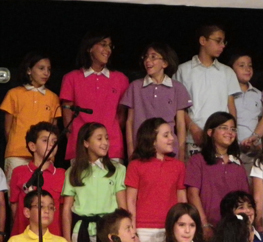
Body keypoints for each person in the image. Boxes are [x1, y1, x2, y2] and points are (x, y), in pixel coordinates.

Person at [125, 118, 187, 242]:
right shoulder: (136, 165)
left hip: (171, 229)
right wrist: (132, 232)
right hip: (144, 230)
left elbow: (182, 200)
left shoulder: (178, 166)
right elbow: (130, 201)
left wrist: (183, 226)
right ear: (152, 140)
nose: (172, 138)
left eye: (171, 134)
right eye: (166, 135)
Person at [60, 31, 129, 161]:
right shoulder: (71, 78)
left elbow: (122, 115)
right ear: (89, 48)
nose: (108, 50)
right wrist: (74, 138)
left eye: (110, 46)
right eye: (103, 44)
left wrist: (110, 133)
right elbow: (67, 113)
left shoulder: (121, 79)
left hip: (112, 148)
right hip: (80, 147)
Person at [174, 23, 240, 156]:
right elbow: (179, 107)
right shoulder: (183, 70)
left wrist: (232, 131)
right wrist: (193, 128)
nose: (222, 46)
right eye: (218, 41)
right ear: (203, 40)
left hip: (221, 138)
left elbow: (231, 106)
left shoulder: (227, 72)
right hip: (193, 138)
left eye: (224, 42)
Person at [122, 42, 191, 162]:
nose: (147, 60)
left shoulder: (177, 88)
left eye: (153, 57)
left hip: (169, 152)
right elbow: (130, 122)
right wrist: (130, 151)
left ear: (165, 63)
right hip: (141, 151)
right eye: (146, 57)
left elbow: (180, 124)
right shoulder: (135, 87)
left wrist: (180, 154)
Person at [185, 112, 249, 241]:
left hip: (234, 231)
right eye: (224, 128)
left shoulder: (237, 163)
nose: (229, 132)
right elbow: (192, 195)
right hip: (209, 229)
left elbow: (245, 198)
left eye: (233, 129)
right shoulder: (198, 161)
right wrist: (204, 224)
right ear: (210, 132)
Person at [0, 51, 61, 185]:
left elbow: (53, 130)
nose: (46, 73)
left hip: (44, 155)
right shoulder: (14, 94)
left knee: (42, 193)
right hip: (17, 154)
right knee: (17, 193)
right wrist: (17, 147)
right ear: (29, 70)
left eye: (48, 69)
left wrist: (49, 153)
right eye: (41, 68)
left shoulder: (53, 98)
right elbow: (8, 129)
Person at [10, 122, 64, 237]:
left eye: (54, 141)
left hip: (53, 238)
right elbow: (14, 206)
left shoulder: (62, 174)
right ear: (32, 146)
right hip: (24, 237)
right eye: (45, 140)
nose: (51, 145)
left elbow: (64, 210)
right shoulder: (19, 172)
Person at [228, 51, 263, 172]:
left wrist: (257, 143)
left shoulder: (259, 95)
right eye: (241, 66)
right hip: (233, 149)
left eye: (250, 65)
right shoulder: (228, 94)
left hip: (254, 150)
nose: (247, 69)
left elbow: (261, 121)